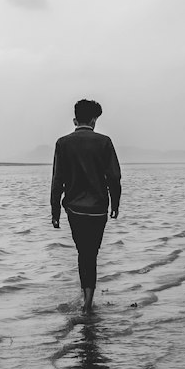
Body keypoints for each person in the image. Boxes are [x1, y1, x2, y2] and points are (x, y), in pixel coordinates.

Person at [50, 99, 121, 314]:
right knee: (92, 253)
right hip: (98, 209)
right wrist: (115, 203)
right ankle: (89, 300)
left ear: (75, 120)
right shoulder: (104, 142)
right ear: (93, 120)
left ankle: (86, 299)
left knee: (83, 252)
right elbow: (114, 177)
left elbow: (57, 179)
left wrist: (55, 211)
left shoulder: (63, 143)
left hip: (74, 209)